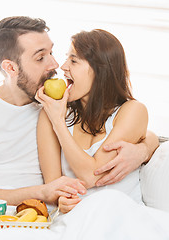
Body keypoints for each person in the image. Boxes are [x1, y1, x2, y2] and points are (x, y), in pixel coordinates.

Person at [0, 16, 159, 207]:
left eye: (52, 52)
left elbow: (133, 125)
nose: (58, 65)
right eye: (40, 58)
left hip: (87, 211)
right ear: (11, 68)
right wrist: (49, 194)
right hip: (10, 213)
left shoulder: (53, 105)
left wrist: (145, 148)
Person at [35, 29, 150, 213]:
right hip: (77, 218)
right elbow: (54, 186)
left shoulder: (133, 111)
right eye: (66, 58)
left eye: (73, 60)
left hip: (122, 215)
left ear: (100, 71)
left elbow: (92, 175)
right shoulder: (50, 115)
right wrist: (61, 200)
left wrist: (59, 123)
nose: (63, 67)